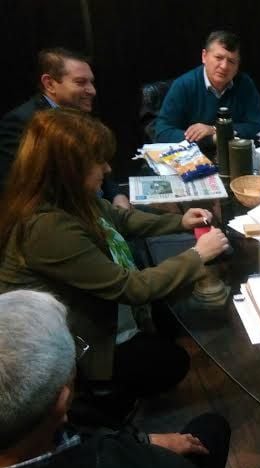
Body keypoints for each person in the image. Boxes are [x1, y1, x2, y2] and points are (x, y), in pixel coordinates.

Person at [0, 108, 229, 421]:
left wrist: (180, 222)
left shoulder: (70, 196)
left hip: (93, 309)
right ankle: (101, 395)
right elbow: (129, 287)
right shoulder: (46, 227)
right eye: (99, 161)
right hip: (76, 339)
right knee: (173, 361)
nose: (108, 169)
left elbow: (119, 218)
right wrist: (197, 255)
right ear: (69, 169)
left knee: (171, 319)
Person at [0, 289, 260, 468]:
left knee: (210, 428)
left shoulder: (40, 431)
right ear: (62, 401)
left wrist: (145, 441)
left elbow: (92, 439)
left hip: (146, 466)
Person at [0, 47, 129, 209]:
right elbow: (21, 189)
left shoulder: (77, 112)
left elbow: (96, 164)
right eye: (80, 82)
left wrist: (117, 195)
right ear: (50, 84)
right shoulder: (23, 122)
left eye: (91, 82)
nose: (92, 91)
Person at [154, 30, 260, 149]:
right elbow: (162, 132)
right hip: (194, 154)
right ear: (204, 56)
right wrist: (209, 140)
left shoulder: (244, 84)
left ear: (238, 65)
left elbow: (257, 125)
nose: (224, 66)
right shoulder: (183, 85)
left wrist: (216, 130)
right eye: (218, 57)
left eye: (231, 61)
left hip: (232, 153)